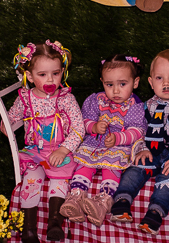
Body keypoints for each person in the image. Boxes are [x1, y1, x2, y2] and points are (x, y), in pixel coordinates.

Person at [110, 49, 169, 234]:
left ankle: (155, 212)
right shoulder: (146, 107)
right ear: (151, 83)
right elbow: (139, 130)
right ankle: (122, 200)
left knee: (168, 179)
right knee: (135, 168)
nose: (166, 83)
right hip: (152, 152)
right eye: (160, 78)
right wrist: (142, 148)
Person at [6, 40, 84, 243]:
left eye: (56, 73)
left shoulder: (66, 99)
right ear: (30, 76)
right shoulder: (25, 99)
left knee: (60, 179)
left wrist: (64, 149)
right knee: (31, 181)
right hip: (35, 151)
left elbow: (79, 128)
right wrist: (7, 125)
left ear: (62, 72)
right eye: (42, 74)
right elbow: (11, 117)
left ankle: (55, 222)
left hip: (59, 149)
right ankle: (28, 230)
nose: (50, 79)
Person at [61, 55, 146, 226]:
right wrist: (93, 126)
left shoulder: (134, 105)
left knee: (111, 167)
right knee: (84, 165)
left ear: (135, 82)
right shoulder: (96, 100)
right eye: (109, 85)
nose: (116, 91)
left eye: (122, 84)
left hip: (119, 146)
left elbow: (138, 130)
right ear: (102, 82)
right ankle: (76, 197)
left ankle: (103, 201)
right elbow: (83, 121)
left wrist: (118, 138)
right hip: (94, 143)